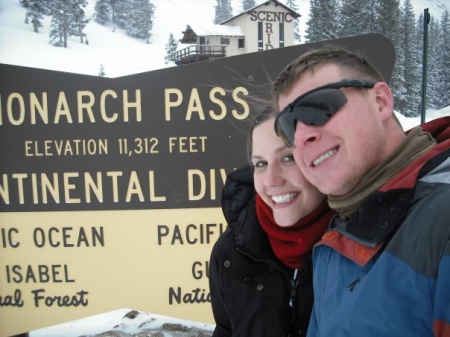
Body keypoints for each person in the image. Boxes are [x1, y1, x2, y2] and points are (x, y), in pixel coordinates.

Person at [272, 44, 450, 337]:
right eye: (289, 127)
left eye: (318, 107)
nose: (303, 135)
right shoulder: (336, 238)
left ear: (380, 102)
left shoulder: (441, 224)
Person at [209, 106, 335, 337]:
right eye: (260, 164)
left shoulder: (359, 248)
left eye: (287, 158)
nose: (270, 180)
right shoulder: (231, 252)